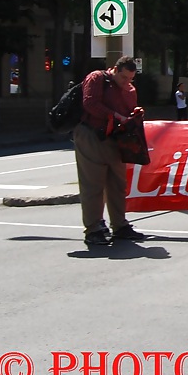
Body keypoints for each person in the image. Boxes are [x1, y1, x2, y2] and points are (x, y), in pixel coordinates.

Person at [74, 56, 145, 246]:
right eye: (123, 78)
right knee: (93, 184)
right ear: (114, 69)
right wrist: (115, 115)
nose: (126, 82)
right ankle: (93, 228)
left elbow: (128, 112)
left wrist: (134, 115)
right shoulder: (97, 78)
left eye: (130, 79)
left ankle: (119, 225)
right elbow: (90, 103)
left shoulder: (130, 90)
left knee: (118, 183)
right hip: (92, 134)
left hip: (115, 138)